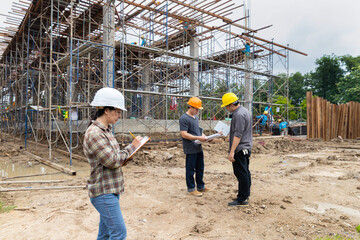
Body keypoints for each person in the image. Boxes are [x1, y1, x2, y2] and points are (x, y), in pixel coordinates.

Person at [83, 87, 142, 240]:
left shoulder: (106, 131)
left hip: (111, 189)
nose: (119, 115)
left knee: (105, 234)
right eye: (117, 111)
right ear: (106, 110)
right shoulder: (95, 133)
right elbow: (113, 160)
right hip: (103, 191)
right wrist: (132, 147)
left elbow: (115, 157)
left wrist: (130, 151)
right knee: (119, 232)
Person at [221, 93, 253, 206]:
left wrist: (232, 152)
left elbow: (238, 135)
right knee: (245, 172)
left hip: (240, 148)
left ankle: (242, 198)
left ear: (231, 104)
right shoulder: (244, 111)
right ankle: (245, 194)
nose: (226, 108)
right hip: (245, 147)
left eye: (226, 106)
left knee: (241, 173)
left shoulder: (238, 115)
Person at [179, 97, 211, 197]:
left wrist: (205, 136)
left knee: (200, 168)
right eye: (196, 109)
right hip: (190, 147)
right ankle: (191, 188)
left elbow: (198, 131)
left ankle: (200, 186)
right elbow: (184, 134)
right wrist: (198, 137)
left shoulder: (195, 118)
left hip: (198, 147)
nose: (197, 111)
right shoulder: (184, 118)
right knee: (190, 169)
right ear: (191, 107)